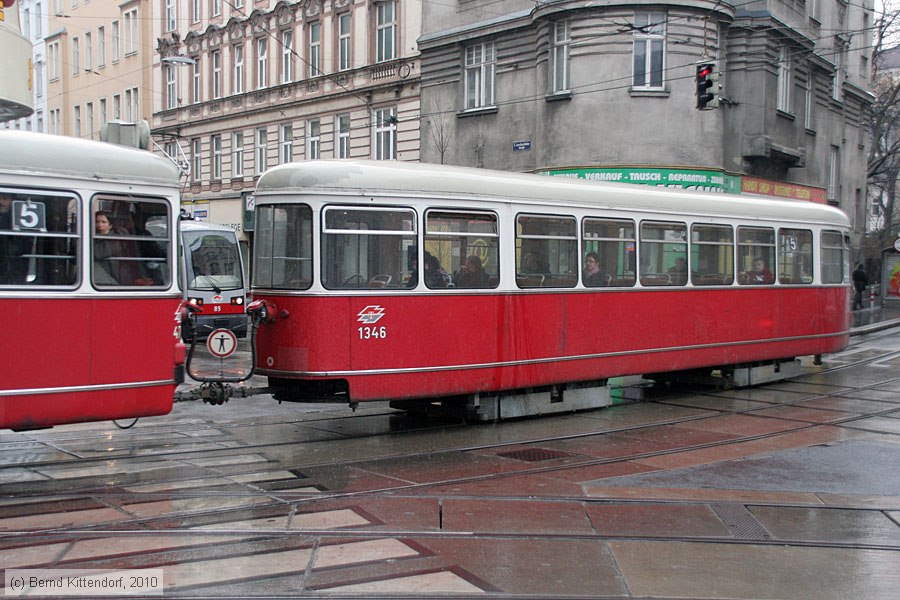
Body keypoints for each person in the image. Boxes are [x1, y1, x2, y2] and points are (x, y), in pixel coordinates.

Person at [0, 194, 29, 285]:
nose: (1, 202)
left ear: (13, 201)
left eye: (5, 198)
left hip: (16, 263)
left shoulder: (22, 220)